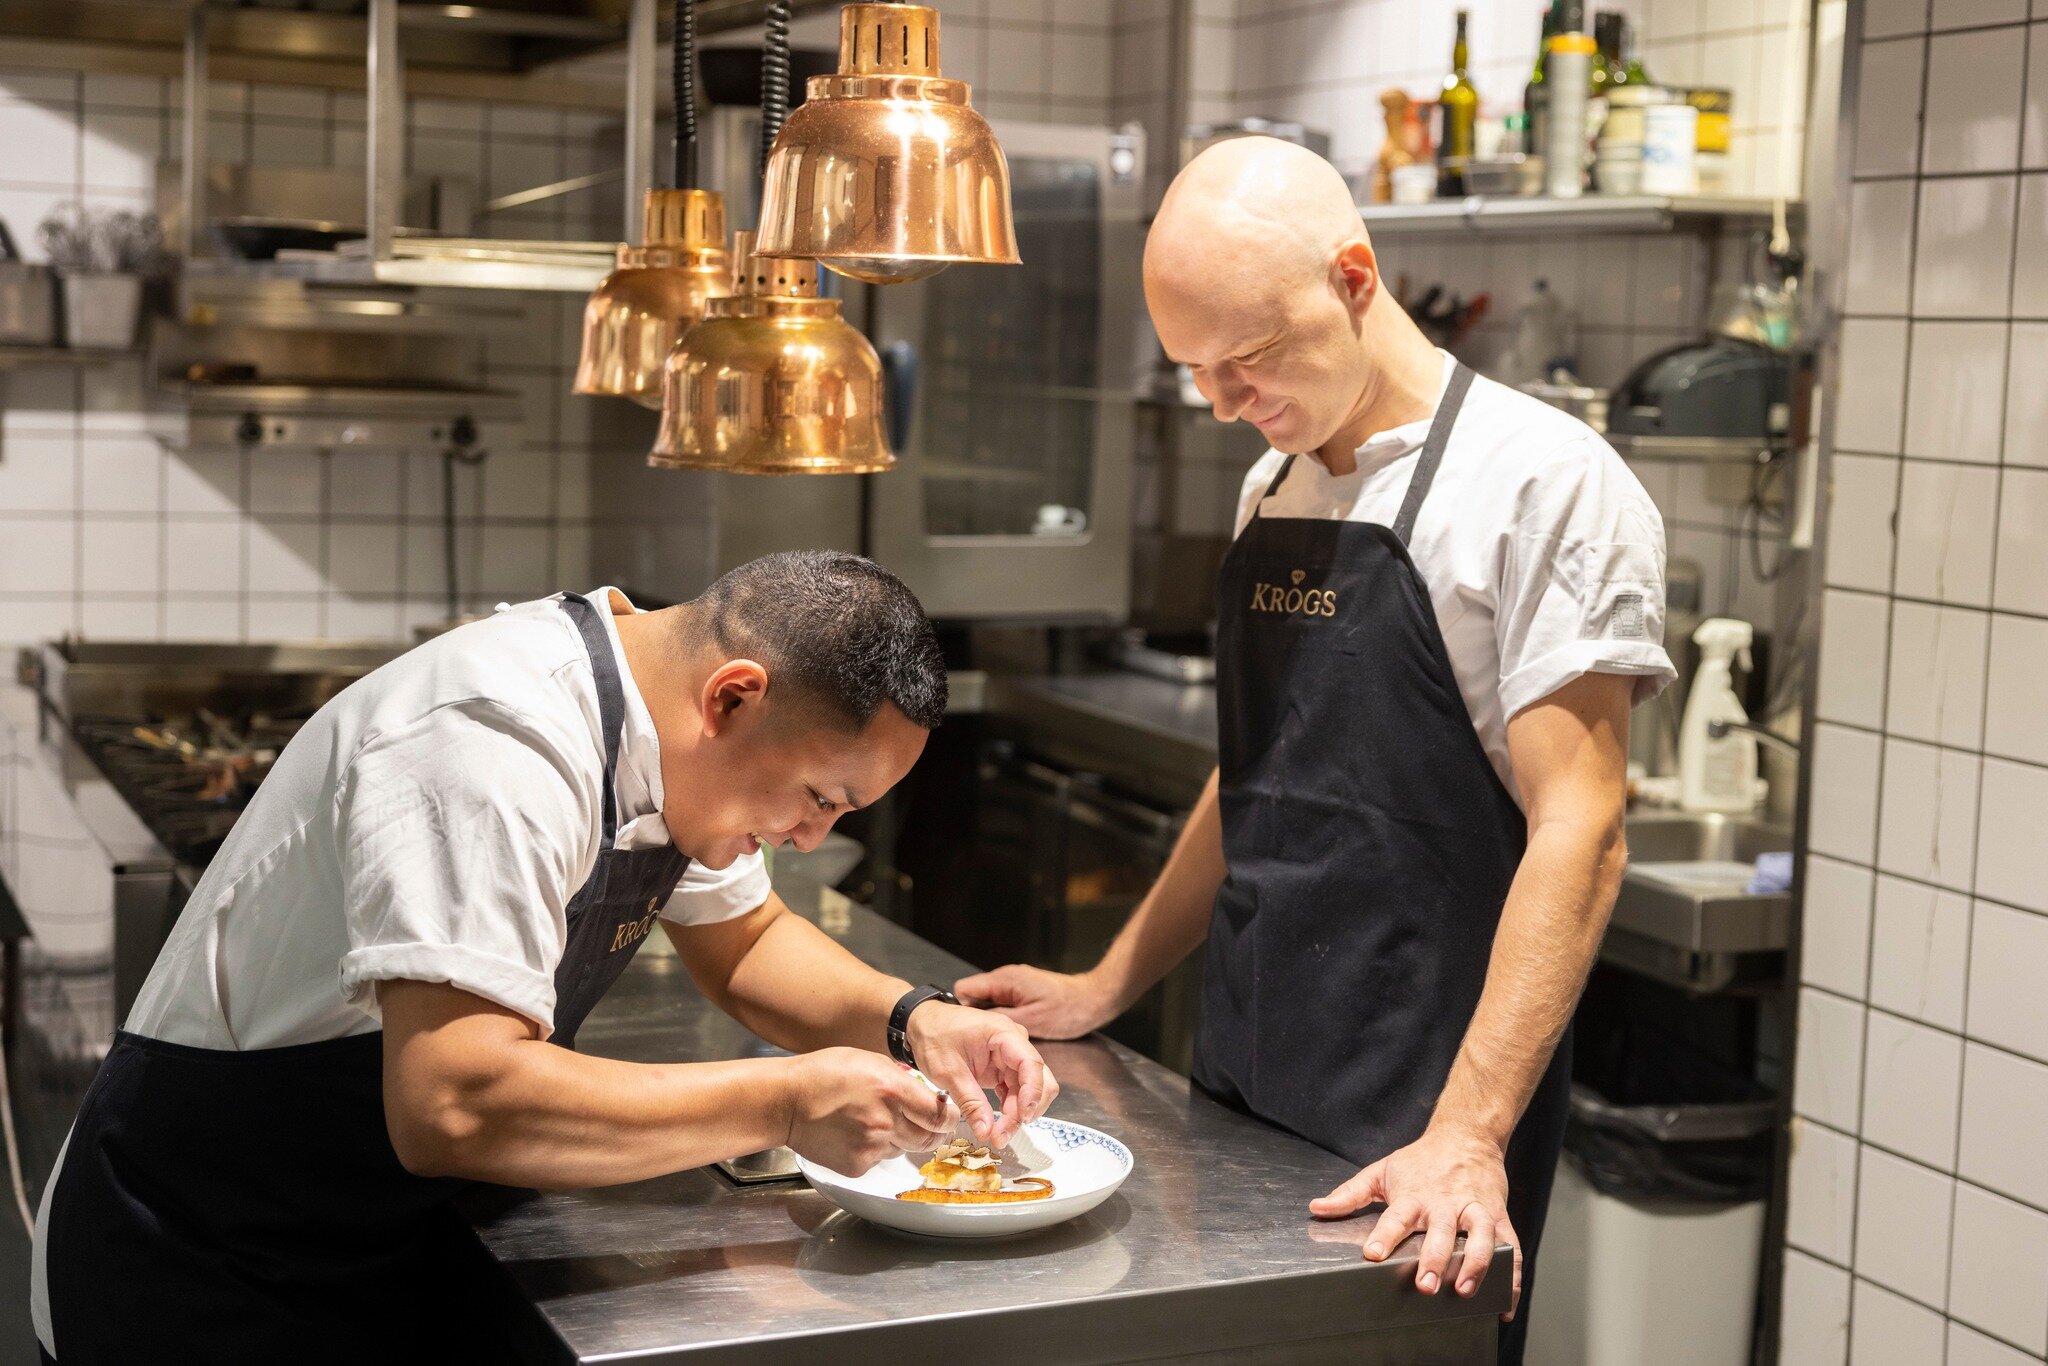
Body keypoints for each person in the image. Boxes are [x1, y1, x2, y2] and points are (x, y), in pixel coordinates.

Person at [956, 138, 1673, 1363]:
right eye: (1195, 371)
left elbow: (1583, 829)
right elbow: (1257, 771)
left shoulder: (1541, 485)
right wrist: (1109, 982)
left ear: (1353, 276)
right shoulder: (1272, 484)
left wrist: (1468, 1132)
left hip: (1427, 1095)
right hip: (1245, 1062)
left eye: (1248, 358)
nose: (1224, 402)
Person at [33, 551, 1055, 1364]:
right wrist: (787, 1101)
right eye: (821, 797)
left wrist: (917, 1018)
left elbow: (744, 944)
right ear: (733, 698)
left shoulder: (662, 725)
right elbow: (453, 1102)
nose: (806, 835)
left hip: (361, 1227)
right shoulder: (496, 741)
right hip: (200, 1251)